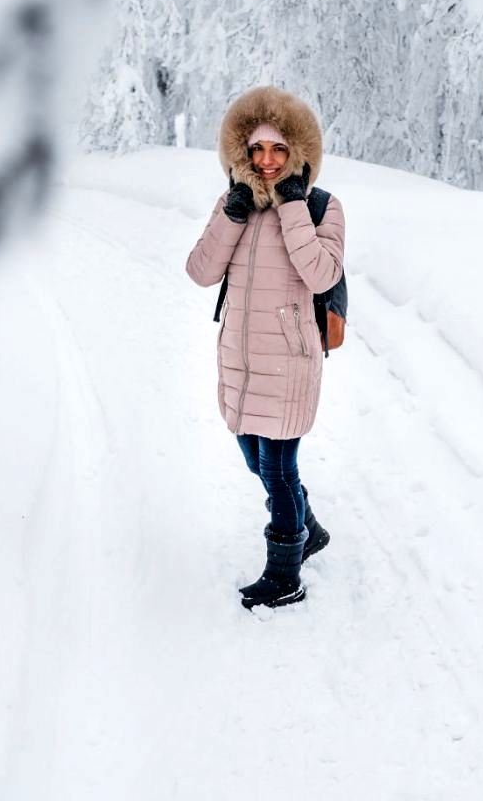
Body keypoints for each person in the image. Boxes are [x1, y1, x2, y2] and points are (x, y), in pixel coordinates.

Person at [184, 85, 347, 610]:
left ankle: (285, 575)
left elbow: (322, 273)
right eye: (257, 150)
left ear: (298, 151)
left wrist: (294, 207)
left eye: (279, 149)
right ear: (242, 153)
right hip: (241, 357)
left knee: (278, 468)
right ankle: (310, 528)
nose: (268, 160)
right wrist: (233, 214)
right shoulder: (235, 204)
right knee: (255, 458)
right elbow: (201, 272)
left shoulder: (323, 207)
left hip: (289, 359)